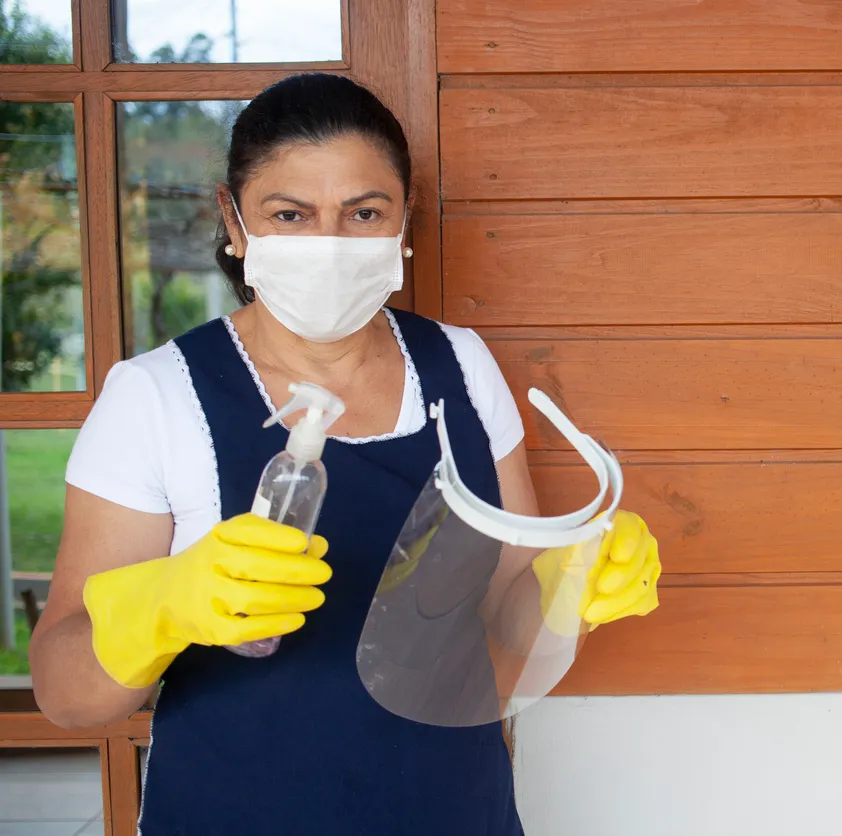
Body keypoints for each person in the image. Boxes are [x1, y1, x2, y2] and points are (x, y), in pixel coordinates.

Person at [28, 72, 661, 834]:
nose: (328, 243)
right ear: (234, 221)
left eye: (364, 212)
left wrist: (573, 582)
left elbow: (509, 637)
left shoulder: (462, 367)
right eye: (290, 214)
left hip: (455, 812)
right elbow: (65, 694)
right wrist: (163, 605)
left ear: (403, 222)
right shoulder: (154, 396)